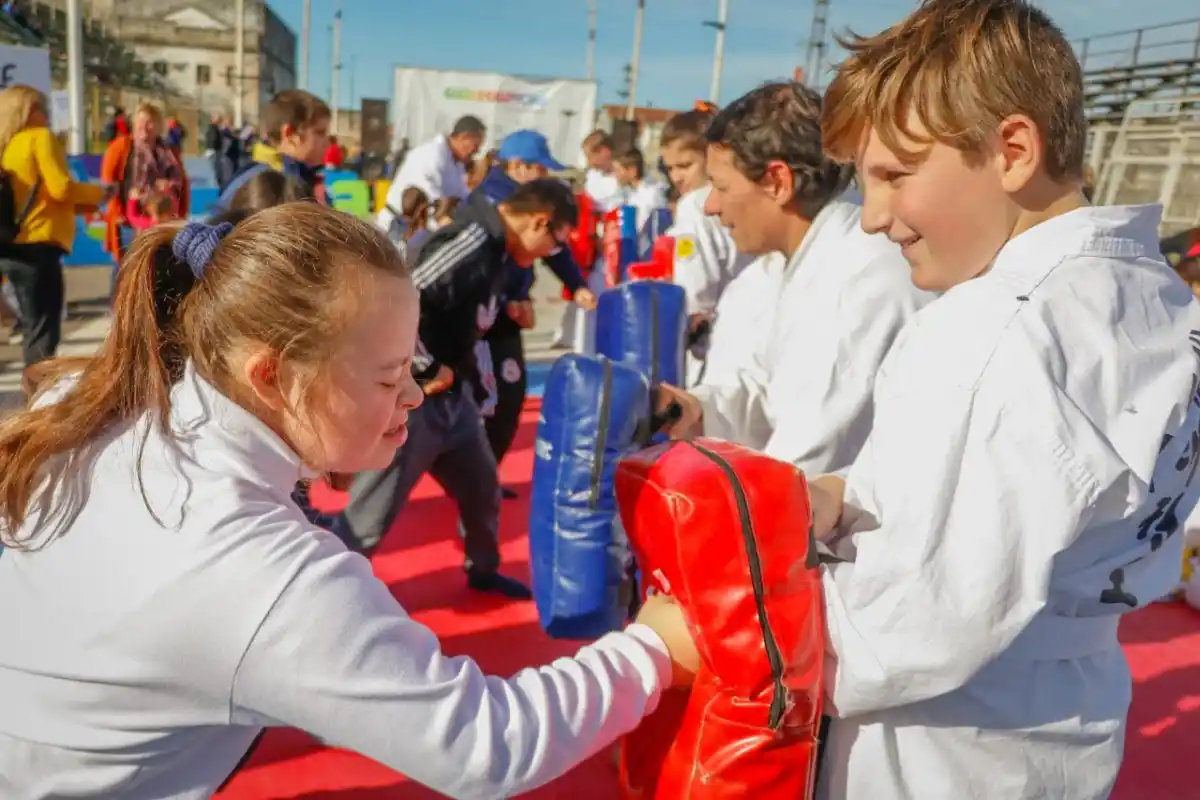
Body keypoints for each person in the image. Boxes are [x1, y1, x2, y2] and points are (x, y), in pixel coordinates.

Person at [0, 202, 699, 797]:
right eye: (390, 374)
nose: (412, 394)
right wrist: (652, 652)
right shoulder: (258, 575)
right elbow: (488, 744)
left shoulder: (100, 409)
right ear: (271, 376)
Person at [800, 2, 1200, 797]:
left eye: (893, 175)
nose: (874, 217)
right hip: (1069, 722)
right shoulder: (1161, 300)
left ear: (1012, 149)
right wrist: (849, 495)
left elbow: (901, 631)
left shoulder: (992, 329)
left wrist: (695, 632)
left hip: (932, 756)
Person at [656, 82, 931, 474]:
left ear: (776, 182)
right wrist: (693, 407)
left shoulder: (863, 279)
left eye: (720, 187)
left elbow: (810, 456)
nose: (712, 207)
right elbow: (769, 392)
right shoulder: (781, 270)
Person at [332, 180, 578, 592]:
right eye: (554, 244)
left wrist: (506, 315)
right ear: (540, 222)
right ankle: (324, 590)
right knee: (368, 519)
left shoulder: (500, 255)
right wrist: (428, 366)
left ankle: (482, 569)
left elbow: (465, 314)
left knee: (483, 489)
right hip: (417, 401)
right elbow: (398, 299)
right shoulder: (472, 241)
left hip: (455, 399)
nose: (547, 255)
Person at [472, 130, 597, 488]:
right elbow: (496, 261)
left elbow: (555, 250)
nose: (544, 177)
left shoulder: (526, 202)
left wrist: (577, 286)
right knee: (478, 403)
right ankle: (476, 482)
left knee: (506, 398)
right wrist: (512, 295)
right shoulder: (494, 203)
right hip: (484, 318)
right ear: (519, 166)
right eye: (540, 169)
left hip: (505, 314)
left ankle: (482, 482)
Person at [0, 85, 105, 366]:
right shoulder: (39, 138)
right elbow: (61, 188)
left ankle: (32, 391)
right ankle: (38, 399)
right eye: (41, 108)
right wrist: (99, 193)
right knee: (44, 332)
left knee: (31, 327)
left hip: (10, 246)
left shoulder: (7, 145)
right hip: (39, 244)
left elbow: (41, 197)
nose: (46, 115)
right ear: (27, 111)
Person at [659, 108, 756, 385]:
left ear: (710, 156)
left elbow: (696, 285)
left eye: (685, 165)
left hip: (713, 339)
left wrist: (686, 321)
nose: (676, 177)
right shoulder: (742, 196)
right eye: (670, 168)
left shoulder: (695, 205)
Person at [100, 102, 190, 263]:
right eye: (140, 121)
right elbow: (108, 183)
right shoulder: (120, 147)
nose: (144, 126)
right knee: (127, 268)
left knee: (159, 267)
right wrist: (116, 211)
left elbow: (182, 183)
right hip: (130, 219)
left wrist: (168, 187)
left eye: (150, 122)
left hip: (163, 219)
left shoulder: (169, 151)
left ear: (158, 126)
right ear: (134, 123)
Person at [216, 90, 331, 208]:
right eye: (320, 133)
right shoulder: (257, 186)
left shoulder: (308, 180)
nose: (327, 143)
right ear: (290, 134)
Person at [377, 115, 486, 231]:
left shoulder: (457, 163)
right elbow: (430, 200)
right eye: (476, 145)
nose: (477, 151)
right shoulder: (431, 155)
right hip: (398, 228)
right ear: (464, 138)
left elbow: (463, 197)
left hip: (421, 228)